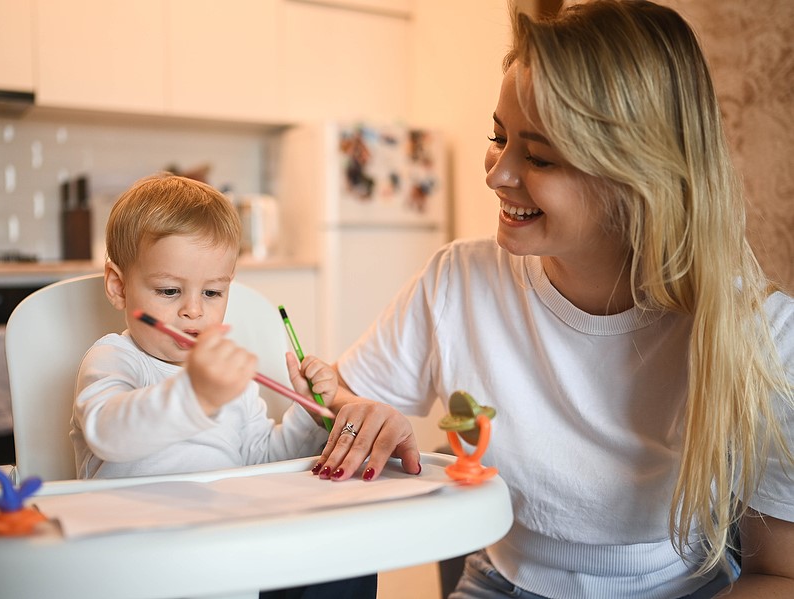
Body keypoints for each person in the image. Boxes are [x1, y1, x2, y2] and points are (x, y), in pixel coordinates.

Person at [313, 1, 794, 598]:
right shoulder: (457, 281)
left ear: (639, 174)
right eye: (499, 136)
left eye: (538, 156)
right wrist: (351, 410)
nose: (496, 173)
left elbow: (780, 573)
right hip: (501, 582)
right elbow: (331, 407)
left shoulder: (763, 338)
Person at [69, 173, 334, 479]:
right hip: (125, 521)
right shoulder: (114, 359)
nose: (193, 311)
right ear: (119, 287)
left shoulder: (230, 379)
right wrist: (195, 395)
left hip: (219, 520)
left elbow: (261, 460)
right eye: (169, 291)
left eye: (211, 293)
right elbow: (109, 436)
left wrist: (309, 415)